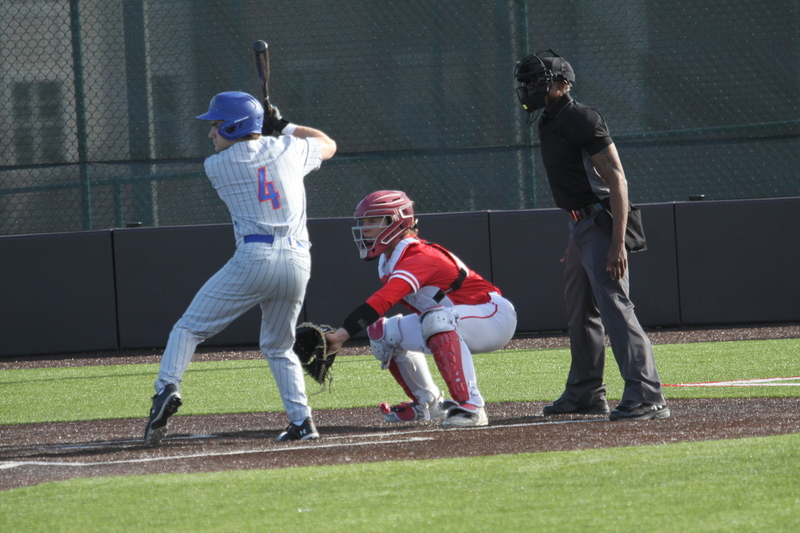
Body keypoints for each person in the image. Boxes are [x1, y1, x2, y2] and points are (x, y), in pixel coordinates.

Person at [144, 91, 336, 445]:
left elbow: (255, 149)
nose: (210, 133)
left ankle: (166, 388)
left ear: (234, 126)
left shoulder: (217, 166)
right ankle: (302, 422)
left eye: (216, 125)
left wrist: (271, 127)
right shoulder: (290, 149)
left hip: (254, 259)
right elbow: (327, 144)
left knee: (188, 329)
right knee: (279, 346)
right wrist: (284, 125)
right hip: (297, 262)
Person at [513, 50, 670, 421]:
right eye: (528, 82)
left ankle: (647, 395)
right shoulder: (548, 122)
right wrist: (575, 240)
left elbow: (617, 179)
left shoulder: (581, 117)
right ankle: (585, 393)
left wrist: (617, 244)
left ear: (562, 83)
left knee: (615, 307)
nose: (531, 87)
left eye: (538, 80)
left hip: (602, 223)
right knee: (580, 311)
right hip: (579, 227)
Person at [324, 190, 517, 427]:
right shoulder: (389, 259)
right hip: (458, 318)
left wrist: (341, 335)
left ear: (396, 221)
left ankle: (472, 407)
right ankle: (428, 404)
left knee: (436, 319)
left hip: (491, 316)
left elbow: (384, 299)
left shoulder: (418, 256)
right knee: (383, 334)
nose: (365, 228)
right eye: (363, 222)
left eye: (373, 221)